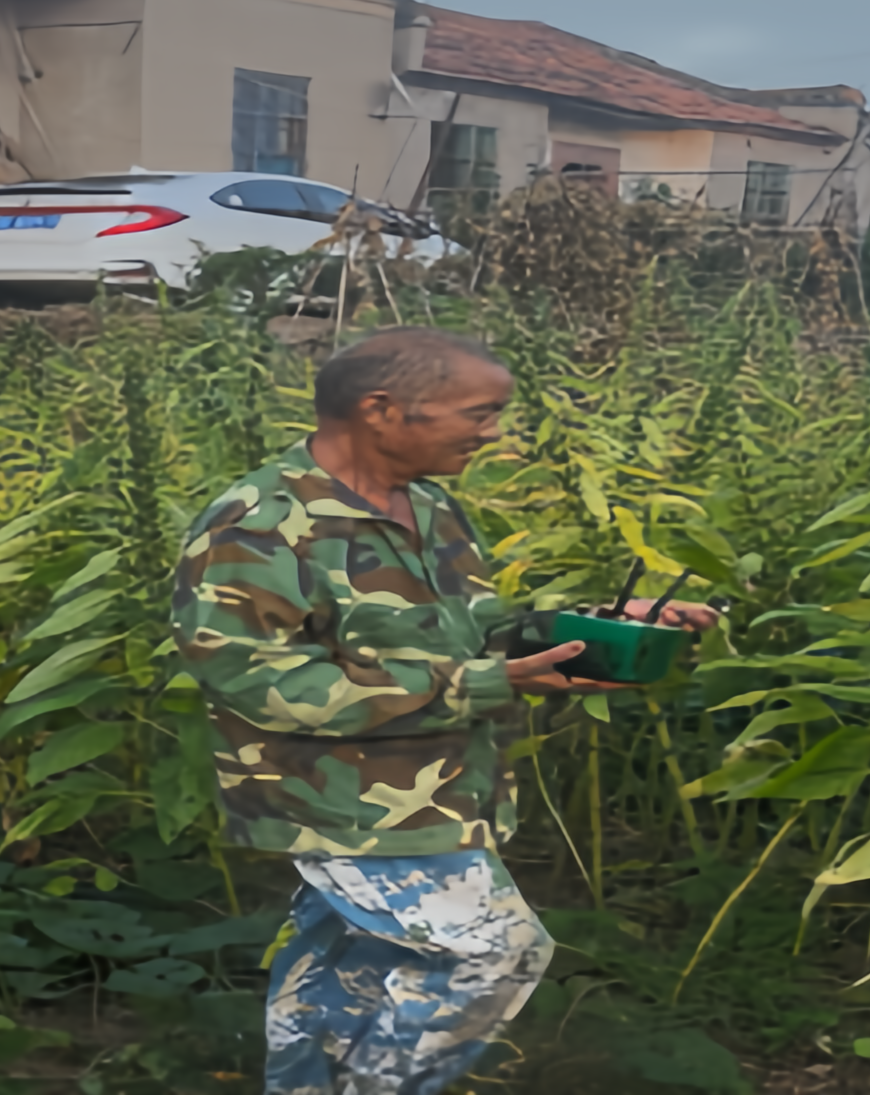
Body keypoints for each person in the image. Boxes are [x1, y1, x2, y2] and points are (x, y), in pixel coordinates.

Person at [171, 327, 720, 1095]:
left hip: (443, 794)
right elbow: (255, 678)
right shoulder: (261, 523)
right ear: (382, 409)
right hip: (343, 802)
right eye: (479, 413)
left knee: (345, 977)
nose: (493, 432)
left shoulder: (429, 506)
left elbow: (471, 633)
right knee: (494, 954)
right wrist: (477, 685)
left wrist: (591, 629)